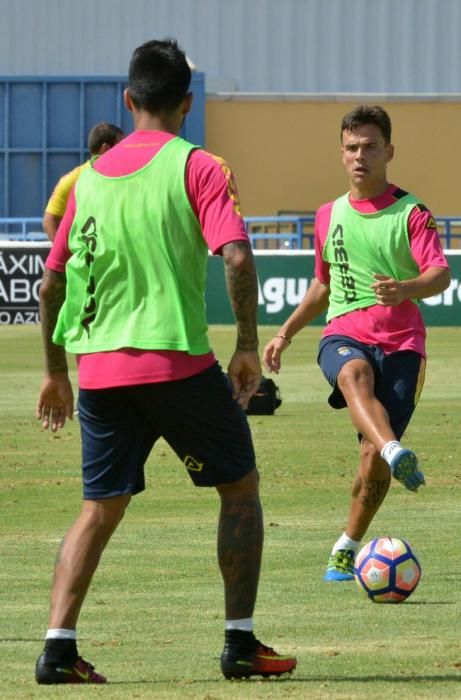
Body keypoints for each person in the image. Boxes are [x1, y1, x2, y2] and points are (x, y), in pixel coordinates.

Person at [34, 38, 297, 684]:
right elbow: (236, 257)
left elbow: (50, 285)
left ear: (128, 101)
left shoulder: (87, 179)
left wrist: (55, 373)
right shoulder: (198, 167)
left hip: (97, 373)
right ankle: (238, 644)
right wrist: (243, 344)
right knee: (238, 491)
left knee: (99, 507)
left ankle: (56, 650)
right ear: (187, 103)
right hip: (175, 366)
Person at [263, 105, 451, 582]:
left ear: (388, 151)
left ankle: (346, 545)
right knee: (353, 374)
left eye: (369, 147)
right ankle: (395, 451)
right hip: (344, 333)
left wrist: (406, 288)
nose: (359, 156)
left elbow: (440, 274)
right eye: (351, 148)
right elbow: (322, 286)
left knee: (369, 457)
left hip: (404, 345)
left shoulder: (412, 212)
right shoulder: (328, 215)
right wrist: (285, 333)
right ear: (341, 154)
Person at [42, 122, 125, 241]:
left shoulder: (124, 176)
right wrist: (64, 256)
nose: (125, 150)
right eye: (121, 146)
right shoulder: (73, 180)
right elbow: (49, 221)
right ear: (106, 148)